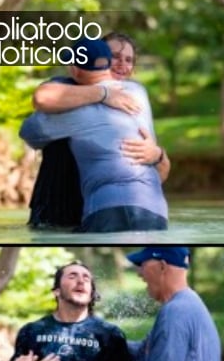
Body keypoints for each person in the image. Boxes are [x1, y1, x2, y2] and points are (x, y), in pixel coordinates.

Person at [19, 37, 168, 232]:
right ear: (104, 59)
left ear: (75, 67)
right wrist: (102, 93)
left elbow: (28, 132)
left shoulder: (133, 93)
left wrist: (158, 155)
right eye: (115, 57)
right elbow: (43, 96)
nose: (122, 65)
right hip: (151, 212)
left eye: (129, 59)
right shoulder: (135, 92)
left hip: (102, 208)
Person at [99, 247, 224, 361]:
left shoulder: (175, 311)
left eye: (142, 264)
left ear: (162, 266)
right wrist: (105, 338)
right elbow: (143, 355)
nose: (139, 273)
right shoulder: (188, 304)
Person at [3, 262, 137, 361]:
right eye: (73, 276)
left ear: (92, 294)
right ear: (57, 291)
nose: (81, 281)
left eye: (86, 278)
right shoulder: (32, 331)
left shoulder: (109, 334)